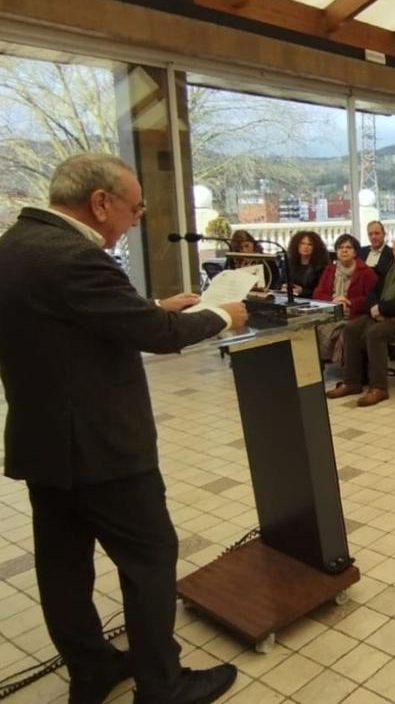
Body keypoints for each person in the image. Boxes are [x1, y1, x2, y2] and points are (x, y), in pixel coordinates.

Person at [0, 153, 246, 704]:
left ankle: (92, 670)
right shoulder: (75, 257)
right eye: (134, 210)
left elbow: (69, 321)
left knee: (64, 569)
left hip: (43, 446)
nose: (136, 219)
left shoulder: (15, 246)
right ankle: (162, 685)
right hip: (102, 449)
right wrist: (223, 315)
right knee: (151, 558)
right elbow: (157, 336)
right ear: (100, 202)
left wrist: (156, 303)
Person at [325, 237, 395, 406]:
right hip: (381, 314)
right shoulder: (389, 267)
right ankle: (352, 382)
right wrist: (374, 308)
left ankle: (379, 387)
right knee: (351, 329)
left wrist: (382, 309)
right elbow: (373, 292)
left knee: (375, 333)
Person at [313, 234, 377, 365]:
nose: (344, 250)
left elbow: (373, 297)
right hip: (331, 311)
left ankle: (349, 372)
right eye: (340, 247)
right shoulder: (330, 270)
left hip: (356, 315)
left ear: (355, 252)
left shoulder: (366, 271)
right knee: (312, 329)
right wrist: (334, 300)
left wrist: (349, 302)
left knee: (345, 332)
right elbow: (318, 294)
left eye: (348, 247)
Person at [287, 230, 329, 299]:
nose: (305, 247)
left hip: (311, 302)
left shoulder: (321, 266)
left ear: (315, 247)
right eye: (302, 243)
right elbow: (278, 284)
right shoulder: (290, 263)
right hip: (291, 299)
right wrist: (283, 287)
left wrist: (302, 291)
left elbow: (322, 292)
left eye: (310, 244)